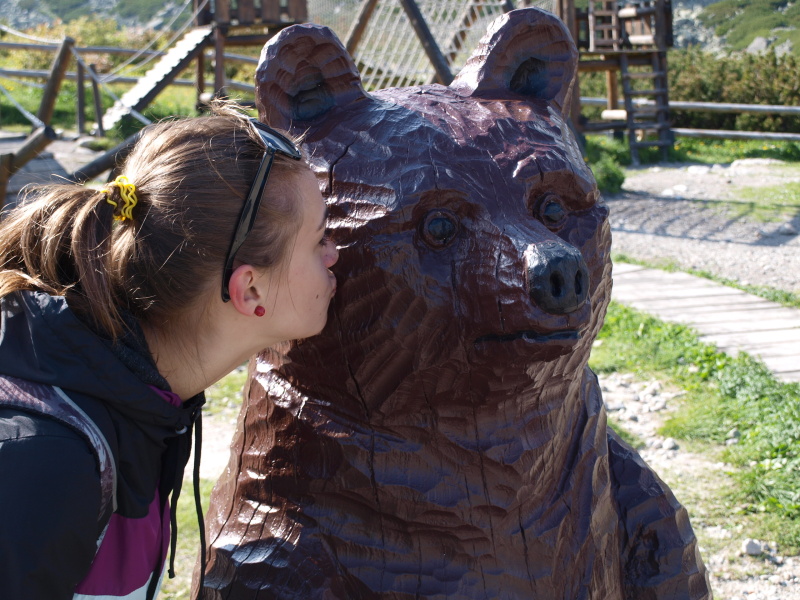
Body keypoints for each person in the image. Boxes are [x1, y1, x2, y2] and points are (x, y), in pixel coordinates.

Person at [0, 101, 338, 600]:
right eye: (319, 239)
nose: (335, 254)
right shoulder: (45, 467)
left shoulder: (140, 403)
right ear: (249, 290)